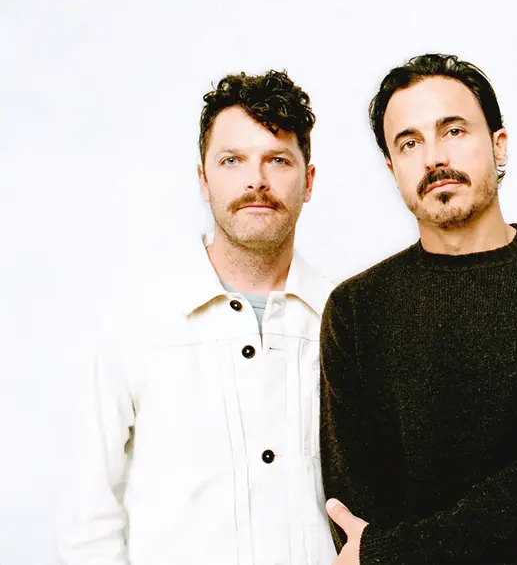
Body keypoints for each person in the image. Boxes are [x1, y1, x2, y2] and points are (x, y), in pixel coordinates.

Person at [319, 53, 517, 564]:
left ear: (498, 145)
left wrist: (395, 554)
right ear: (392, 167)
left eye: (454, 131)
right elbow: (356, 508)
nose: (433, 157)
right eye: (410, 143)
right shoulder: (356, 309)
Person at [59, 71, 338, 564]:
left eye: (277, 160)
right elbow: (89, 518)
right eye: (233, 161)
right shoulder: (135, 323)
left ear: (308, 181)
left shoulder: (345, 321)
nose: (256, 180)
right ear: (203, 178)